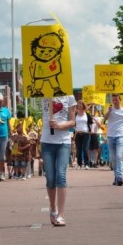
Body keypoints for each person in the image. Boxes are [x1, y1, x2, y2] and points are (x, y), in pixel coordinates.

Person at [41, 95, 76, 226]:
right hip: (47, 141)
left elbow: (72, 122)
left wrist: (60, 126)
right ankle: (53, 208)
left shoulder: (70, 97)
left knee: (60, 176)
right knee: (50, 178)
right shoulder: (45, 95)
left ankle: (61, 215)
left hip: (63, 141)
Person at [105, 94, 123, 186]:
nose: (115, 102)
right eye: (113, 100)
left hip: (120, 136)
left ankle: (119, 177)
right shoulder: (109, 109)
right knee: (113, 158)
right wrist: (109, 111)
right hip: (110, 136)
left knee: (119, 156)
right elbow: (105, 119)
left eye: (116, 100)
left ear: (120, 100)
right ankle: (116, 176)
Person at [73, 100, 93, 169]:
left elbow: (91, 123)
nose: (80, 107)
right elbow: (73, 123)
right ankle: (79, 164)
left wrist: (92, 130)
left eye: (81, 105)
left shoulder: (87, 114)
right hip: (78, 134)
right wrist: (74, 129)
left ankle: (86, 164)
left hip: (86, 133)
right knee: (78, 150)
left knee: (85, 149)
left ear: (83, 106)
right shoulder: (75, 115)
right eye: (78, 105)